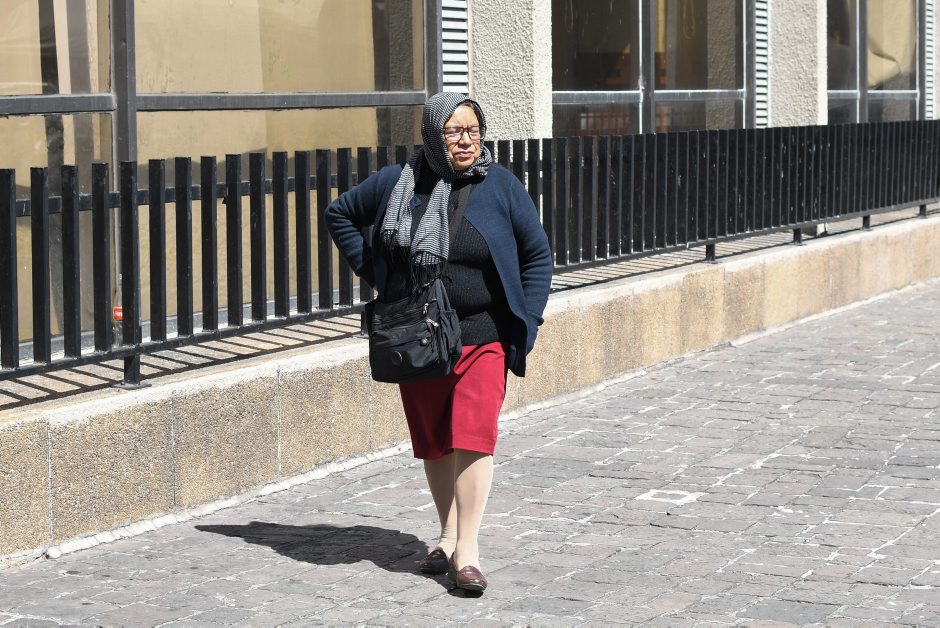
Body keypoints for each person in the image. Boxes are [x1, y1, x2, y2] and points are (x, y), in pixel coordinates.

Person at [326, 91, 553, 593]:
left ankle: (467, 551)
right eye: (454, 132)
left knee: (473, 435)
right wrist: (378, 273)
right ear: (433, 135)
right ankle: (447, 535)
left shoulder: (500, 186)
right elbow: (339, 213)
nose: (466, 141)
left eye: (473, 130)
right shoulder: (398, 182)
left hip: (483, 335)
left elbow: (537, 254)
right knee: (434, 441)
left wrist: (530, 318)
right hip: (419, 337)